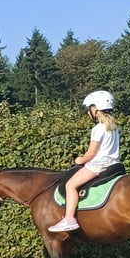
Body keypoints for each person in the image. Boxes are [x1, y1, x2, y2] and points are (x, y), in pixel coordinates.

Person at [48, 90, 120, 233]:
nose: (88, 112)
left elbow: (91, 153)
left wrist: (80, 159)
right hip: (114, 164)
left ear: (96, 109)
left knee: (70, 185)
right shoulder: (114, 127)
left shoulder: (98, 128)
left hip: (99, 165)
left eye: (89, 109)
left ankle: (69, 219)